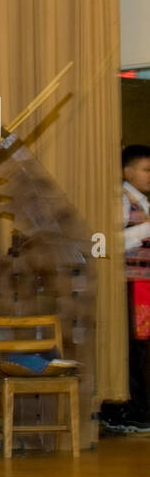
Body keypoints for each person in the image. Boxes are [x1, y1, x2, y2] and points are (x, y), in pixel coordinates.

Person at [100, 145, 150, 433]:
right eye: (144, 169)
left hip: (142, 283)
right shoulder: (120, 199)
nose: (148, 175)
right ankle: (128, 410)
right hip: (128, 283)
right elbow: (110, 240)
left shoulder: (141, 201)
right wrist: (144, 231)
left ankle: (141, 408)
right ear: (127, 171)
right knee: (133, 347)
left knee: (143, 347)